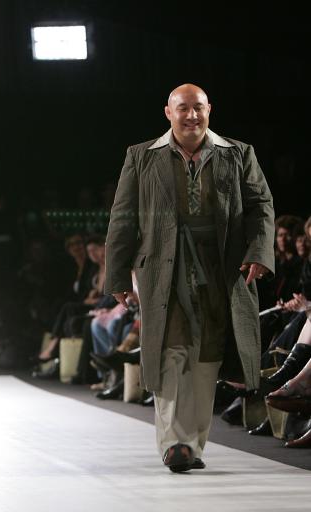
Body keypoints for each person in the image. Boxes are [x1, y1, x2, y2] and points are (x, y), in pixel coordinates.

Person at [104, 83, 274, 472]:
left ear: (209, 109)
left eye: (198, 108)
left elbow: (261, 207)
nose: (191, 116)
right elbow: (123, 215)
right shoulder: (142, 156)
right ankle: (174, 444)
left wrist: (259, 253)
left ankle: (193, 445)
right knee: (172, 350)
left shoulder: (238, 153)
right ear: (168, 112)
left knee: (206, 355)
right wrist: (116, 274)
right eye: (183, 108)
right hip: (164, 266)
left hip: (221, 267)